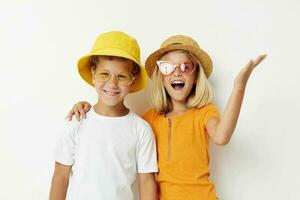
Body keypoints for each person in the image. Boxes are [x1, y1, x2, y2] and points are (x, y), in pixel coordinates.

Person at [66, 34, 267, 200]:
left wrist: (239, 86)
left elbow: (222, 136)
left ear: (196, 75)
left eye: (186, 67)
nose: (177, 73)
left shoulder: (204, 113)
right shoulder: (148, 120)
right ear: (161, 76)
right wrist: (86, 109)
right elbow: (115, 127)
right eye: (167, 67)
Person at [49, 31, 158, 200]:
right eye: (104, 74)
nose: (112, 84)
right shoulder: (77, 121)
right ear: (93, 75)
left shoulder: (141, 129)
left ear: (133, 80)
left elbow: (147, 182)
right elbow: (60, 178)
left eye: (121, 76)